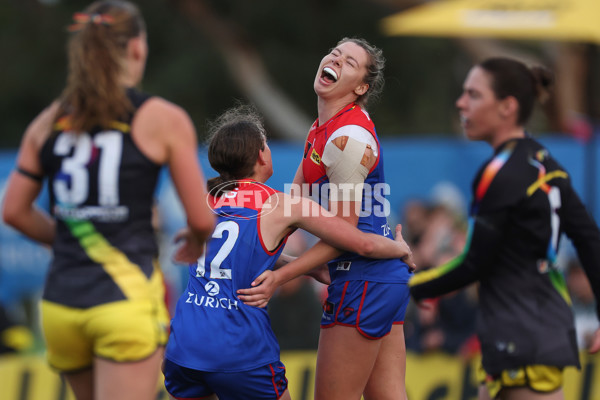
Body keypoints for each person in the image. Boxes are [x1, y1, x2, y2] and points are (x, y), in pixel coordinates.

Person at [1, 2, 215, 399]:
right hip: (124, 299)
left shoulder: (48, 122)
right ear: (136, 48)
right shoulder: (162, 118)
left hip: (61, 305)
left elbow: (13, 210)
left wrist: (68, 240)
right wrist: (199, 241)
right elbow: (202, 219)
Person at [162, 105, 415, 400]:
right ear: (261, 155)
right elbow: (362, 243)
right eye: (266, 143)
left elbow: (238, 256)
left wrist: (305, 266)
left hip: (184, 345)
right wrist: (399, 247)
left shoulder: (207, 202)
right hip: (238, 345)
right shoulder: (281, 205)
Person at [409, 57, 600, 400]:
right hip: (529, 330)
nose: (461, 102)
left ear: (507, 107)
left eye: (474, 95)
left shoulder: (501, 172)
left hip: (522, 335)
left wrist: (409, 285)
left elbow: (474, 262)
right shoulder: (543, 161)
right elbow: (589, 238)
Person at [237, 37, 413, 400]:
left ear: (361, 87)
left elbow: (344, 234)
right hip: (374, 276)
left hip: (365, 278)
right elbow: (293, 211)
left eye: (350, 62)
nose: (336, 58)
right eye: (335, 52)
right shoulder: (322, 128)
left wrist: (282, 275)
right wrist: (277, 256)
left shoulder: (348, 137)